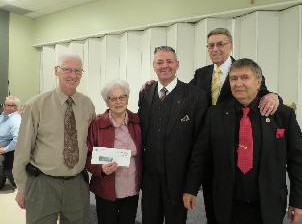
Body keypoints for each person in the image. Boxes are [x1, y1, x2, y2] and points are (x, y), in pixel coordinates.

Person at [183, 58, 302, 224]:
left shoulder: (283, 115)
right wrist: (191, 189)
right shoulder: (215, 115)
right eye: (233, 78)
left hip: (268, 203)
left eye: (244, 77)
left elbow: (297, 161)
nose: (238, 83)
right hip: (227, 203)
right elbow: (200, 154)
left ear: (258, 82)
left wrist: (299, 201)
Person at [189, 27, 280, 224]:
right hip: (207, 146)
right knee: (213, 201)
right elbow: (185, 94)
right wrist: (157, 85)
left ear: (230, 46)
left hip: (233, 147)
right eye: (211, 45)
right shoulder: (201, 74)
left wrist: (275, 96)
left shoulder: (242, 70)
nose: (215, 49)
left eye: (220, 44)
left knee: (233, 200)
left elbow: (263, 92)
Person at [13, 53, 95, 224]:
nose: (73, 75)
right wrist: (21, 187)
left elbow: (92, 143)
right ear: (56, 71)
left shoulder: (87, 105)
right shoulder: (36, 105)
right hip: (43, 184)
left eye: (78, 71)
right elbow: (22, 151)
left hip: (76, 185)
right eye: (67, 70)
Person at [138, 46, 207, 224]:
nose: (165, 66)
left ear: (177, 64)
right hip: (150, 178)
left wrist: (192, 187)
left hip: (179, 180)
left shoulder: (195, 96)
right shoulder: (145, 93)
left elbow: (200, 145)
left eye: (169, 61)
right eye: (160, 62)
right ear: (154, 66)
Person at [86, 79, 142, 224]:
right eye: (113, 98)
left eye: (122, 97)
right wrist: (100, 169)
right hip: (105, 189)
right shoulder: (96, 125)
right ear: (107, 102)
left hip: (131, 189)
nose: (118, 102)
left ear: (127, 98)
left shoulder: (137, 122)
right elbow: (87, 156)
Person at [0, 96, 22, 189]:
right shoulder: (3, 116)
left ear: (15, 107)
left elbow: (17, 140)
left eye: (7, 105)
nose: (4, 106)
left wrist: (4, 150)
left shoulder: (15, 120)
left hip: (5, 151)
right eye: (4, 104)